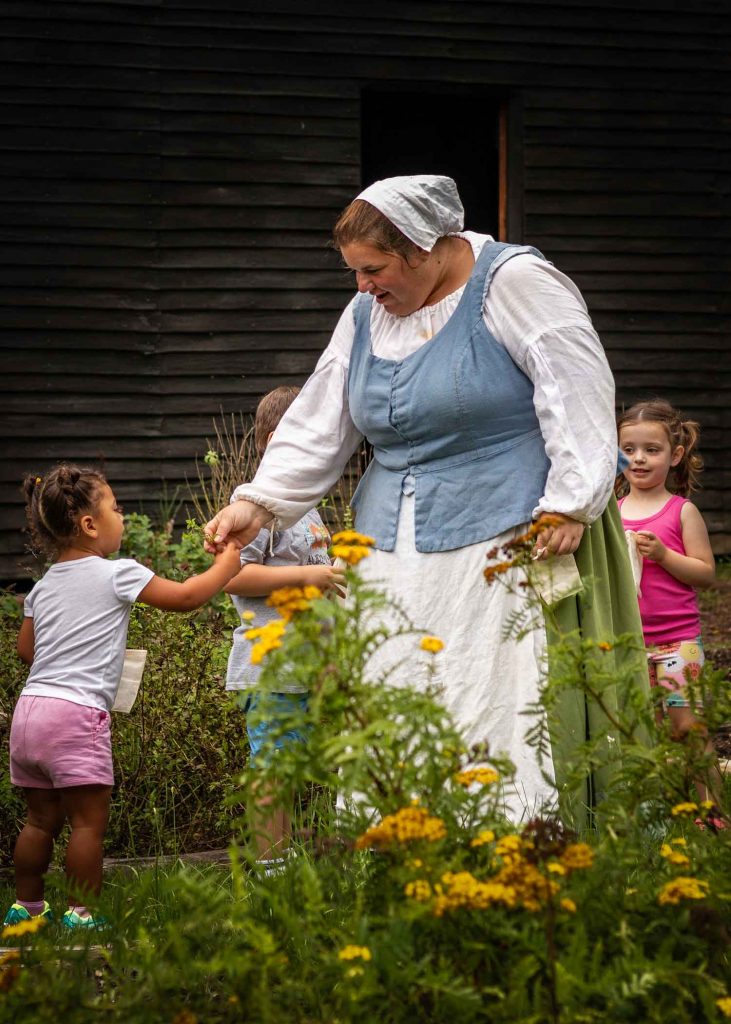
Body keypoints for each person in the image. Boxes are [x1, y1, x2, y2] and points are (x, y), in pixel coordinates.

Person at [205, 174, 646, 824]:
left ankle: (519, 846)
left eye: (373, 268)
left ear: (424, 247)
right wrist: (262, 500)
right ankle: (415, 858)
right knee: (405, 691)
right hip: (397, 547)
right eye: (354, 271)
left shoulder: (513, 282)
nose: (361, 286)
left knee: (498, 696)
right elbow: (323, 412)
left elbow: (573, 379)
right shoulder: (366, 315)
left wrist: (571, 499)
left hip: (513, 532)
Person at [5, 463, 241, 930]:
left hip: (30, 714)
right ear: (89, 524)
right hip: (76, 715)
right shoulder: (118, 574)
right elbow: (187, 597)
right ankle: (82, 915)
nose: (123, 515)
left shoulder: (45, 584)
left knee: (38, 822)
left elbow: (26, 650)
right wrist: (226, 565)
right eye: (116, 508)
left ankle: (26, 909)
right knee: (87, 825)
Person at [223, 386, 345, 871]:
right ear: (278, 440)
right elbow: (234, 575)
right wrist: (310, 574)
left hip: (304, 662)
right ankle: (271, 869)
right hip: (269, 665)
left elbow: (317, 583)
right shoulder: (248, 505)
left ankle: (286, 855)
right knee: (272, 769)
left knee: (290, 767)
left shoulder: (304, 509)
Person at [617, 399, 724, 828]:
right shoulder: (613, 511)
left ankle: (712, 814)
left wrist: (663, 555)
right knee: (638, 732)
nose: (639, 459)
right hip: (628, 642)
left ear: (675, 455)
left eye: (652, 449)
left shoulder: (681, 511)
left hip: (678, 643)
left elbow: (706, 574)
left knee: (688, 730)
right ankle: (646, 815)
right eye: (629, 449)